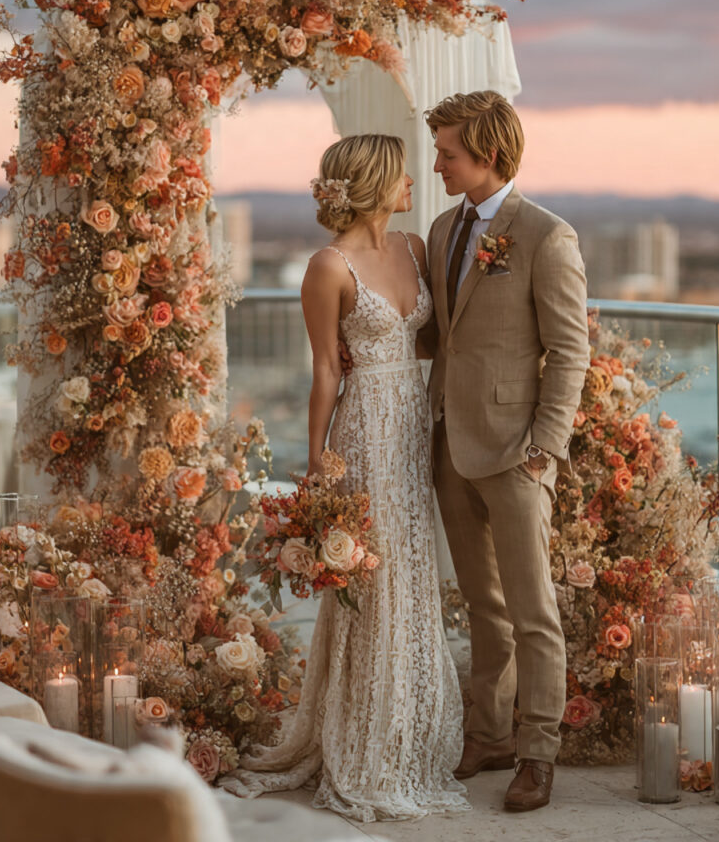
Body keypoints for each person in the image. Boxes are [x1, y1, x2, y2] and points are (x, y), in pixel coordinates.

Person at [221, 134, 469, 822]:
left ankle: (411, 730)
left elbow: (429, 338)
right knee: (375, 580)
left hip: (416, 426)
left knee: (413, 569)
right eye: (403, 173)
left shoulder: (414, 247)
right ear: (376, 182)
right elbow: (327, 368)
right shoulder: (327, 267)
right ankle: (367, 740)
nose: (416, 180)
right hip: (365, 435)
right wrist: (316, 464)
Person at [423, 90, 589, 813]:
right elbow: (446, 336)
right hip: (451, 446)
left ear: (488, 155)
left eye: (448, 154)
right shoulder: (441, 229)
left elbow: (570, 351)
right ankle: (490, 736)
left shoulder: (547, 236)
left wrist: (543, 449)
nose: (437, 165)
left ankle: (538, 753)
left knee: (532, 613)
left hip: (518, 453)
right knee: (483, 606)